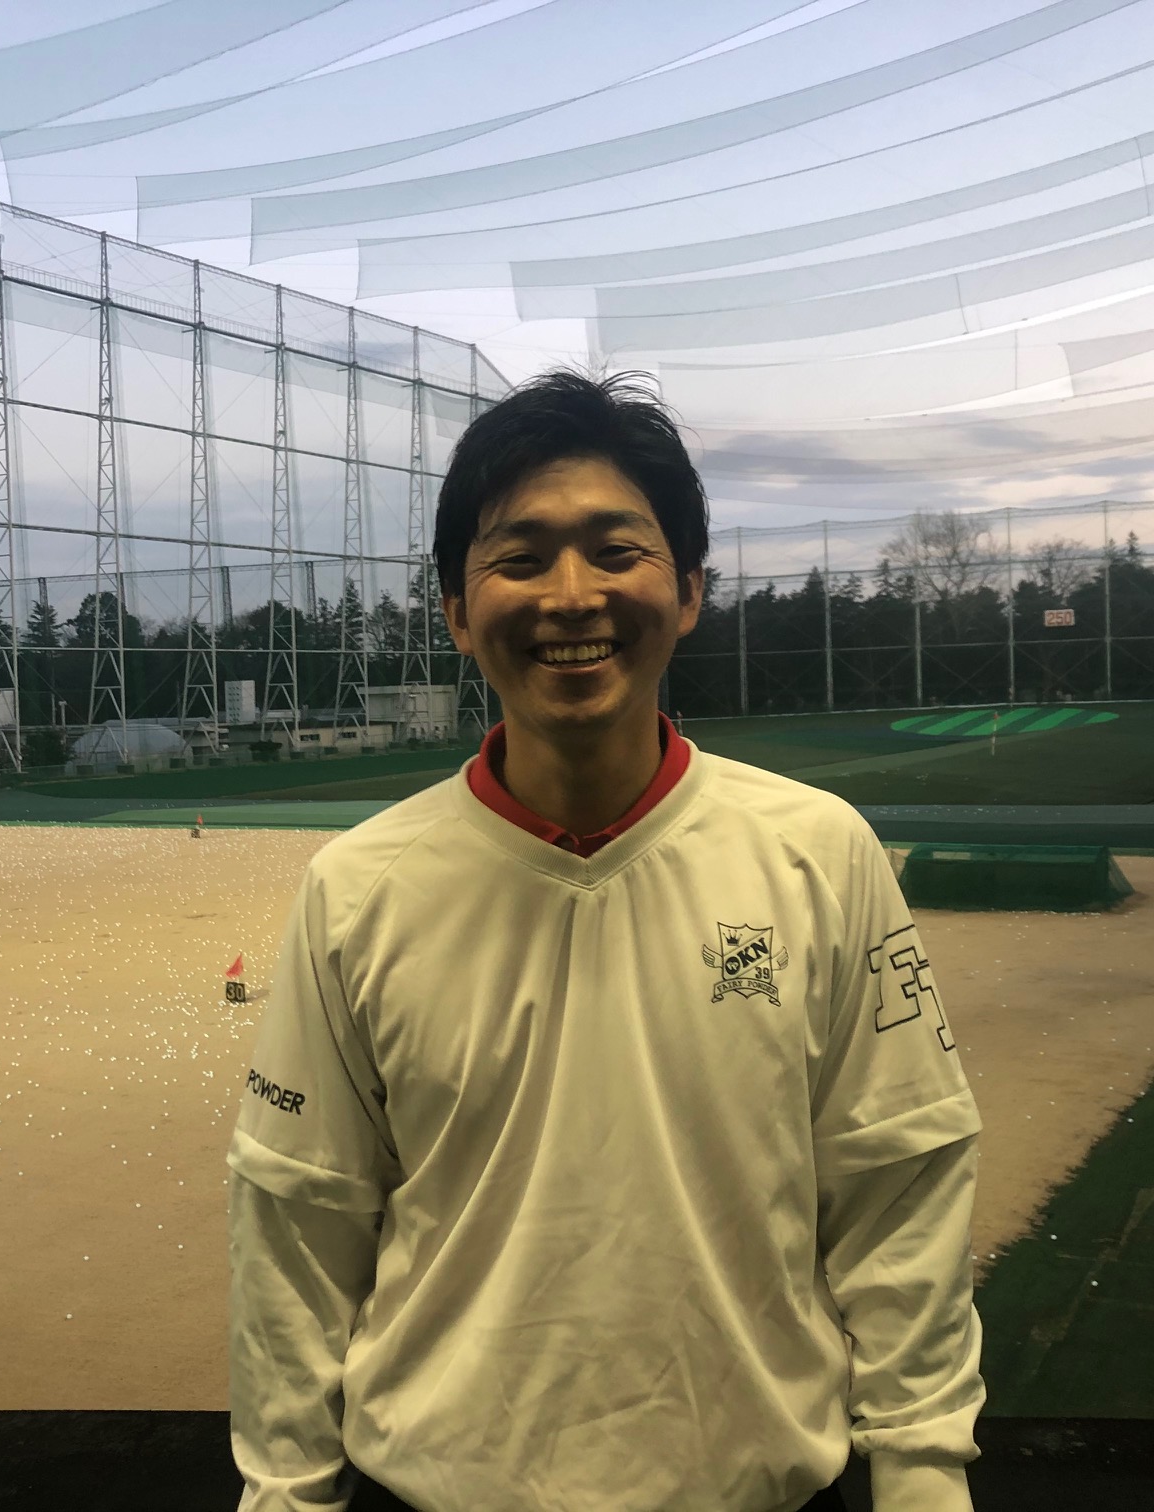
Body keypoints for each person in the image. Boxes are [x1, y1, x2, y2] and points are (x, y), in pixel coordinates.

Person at [227, 370, 984, 1512]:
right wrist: (285, 1495)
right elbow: (297, 1221)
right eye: (521, 559)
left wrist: (923, 1477)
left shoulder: (821, 854)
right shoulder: (356, 890)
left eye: (615, 551)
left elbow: (902, 1185)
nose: (571, 596)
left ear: (689, 591)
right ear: (456, 610)